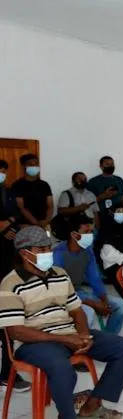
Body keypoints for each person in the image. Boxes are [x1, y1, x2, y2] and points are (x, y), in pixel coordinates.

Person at [0, 226, 123, 419]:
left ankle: (91, 406)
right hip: (33, 343)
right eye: (41, 250)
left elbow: (76, 310)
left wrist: (83, 335)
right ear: (24, 253)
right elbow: (16, 332)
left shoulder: (60, 273)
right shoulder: (10, 284)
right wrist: (65, 339)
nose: (48, 253)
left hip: (68, 333)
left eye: (49, 248)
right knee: (62, 368)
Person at [53, 215, 123, 335]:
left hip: (79, 293)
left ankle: (108, 338)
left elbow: (94, 278)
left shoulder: (87, 250)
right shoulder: (58, 254)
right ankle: (84, 342)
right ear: (74, 235)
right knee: (88, 312)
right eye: (86, 232)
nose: (90, 235)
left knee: (120, 305)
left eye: (91, 231)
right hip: (62, 297)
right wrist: (93, 303)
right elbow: (60, 290)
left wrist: (104, 300)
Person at [0, 159, 30, 395]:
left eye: (3, 171)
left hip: (5, 258)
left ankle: (6, 373)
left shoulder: (7, 192)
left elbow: (14, 216)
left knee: (5, 321)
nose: (1, 175)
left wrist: (10, 226)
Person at [98, 206, 123, 300]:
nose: (122, 214)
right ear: (112, 213)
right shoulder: (107, 229)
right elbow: (107, 253)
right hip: (113, 266)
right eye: (118, 211)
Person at [11, 153, 53, 228]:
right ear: (23, 166)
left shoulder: (44, 184)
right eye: (30, 164)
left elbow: (50, 206)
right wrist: (36, 223)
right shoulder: (17, 185)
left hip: (44, 223)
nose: (34, 166)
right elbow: (21, 208)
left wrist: (47, 221)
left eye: (36, 164)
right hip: (26, 224)